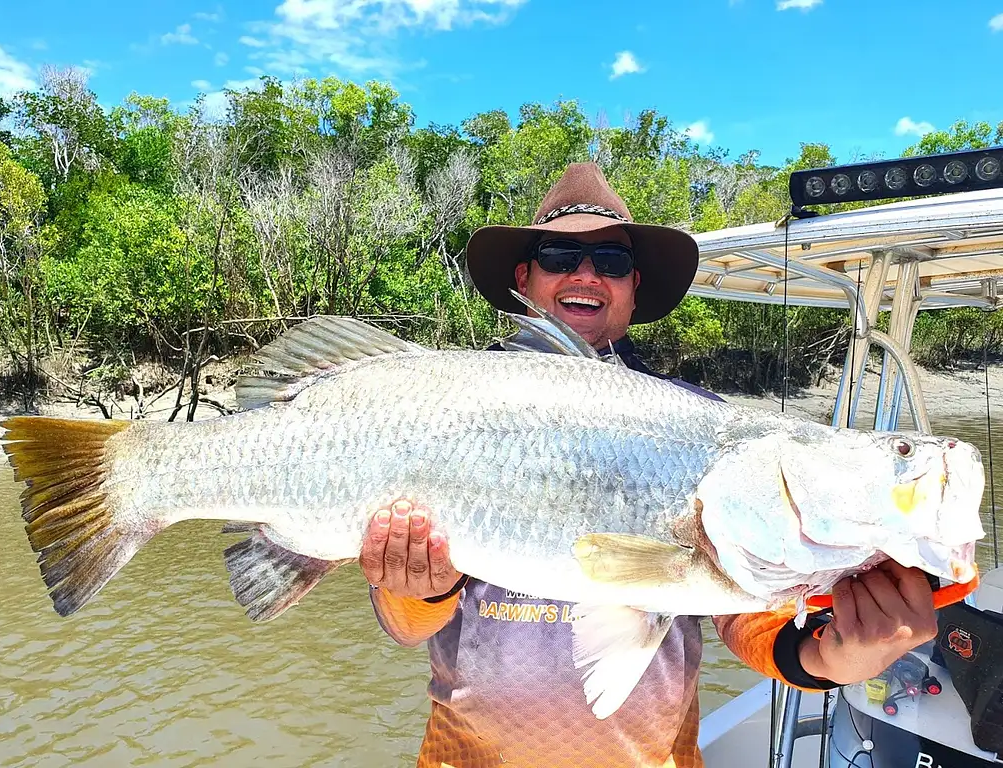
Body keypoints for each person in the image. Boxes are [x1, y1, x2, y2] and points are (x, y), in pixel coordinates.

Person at [358, 163, 940, 767]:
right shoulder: (447, 411)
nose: (585, 274)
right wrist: (415, 589)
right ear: (524, 278)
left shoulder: (709, 427)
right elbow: (406, 626)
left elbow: (751, 617)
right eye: (560, 256)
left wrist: (846, 656)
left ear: (633, 286)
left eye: (609, 261)